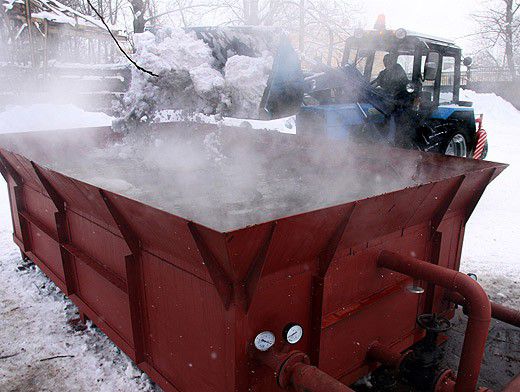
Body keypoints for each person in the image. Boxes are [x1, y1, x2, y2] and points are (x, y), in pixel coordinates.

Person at [371, 53, 414, 148]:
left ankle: (391, 139)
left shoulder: (398, 71)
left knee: (391, 114)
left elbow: (400, 85)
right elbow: (376, 83)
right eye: (385, 61)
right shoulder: (383, 73)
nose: (386, 63)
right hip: (387, 98)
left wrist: (391, 95)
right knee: (376, 109)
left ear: (393, 62)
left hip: (400, 100)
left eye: (388, 61)